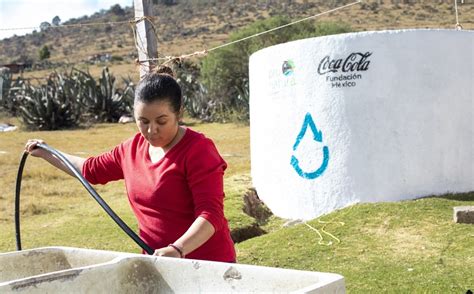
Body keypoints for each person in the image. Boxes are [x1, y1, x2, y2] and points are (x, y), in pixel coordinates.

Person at [24, 67, 236, 263]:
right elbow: (90, 170)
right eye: (143, 121)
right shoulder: (131, 149)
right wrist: (47, 152)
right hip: (159, 263)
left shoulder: (198, 150)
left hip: (208, 265)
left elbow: (211, 215)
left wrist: (177, 249)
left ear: (179, 113)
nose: (151, 130)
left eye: (161, 121)